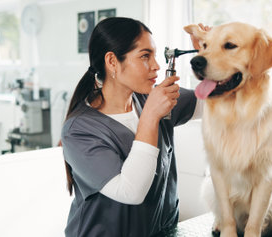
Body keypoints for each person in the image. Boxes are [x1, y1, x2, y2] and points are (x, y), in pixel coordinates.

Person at [61, 17, 206, 237]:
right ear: (112, 62)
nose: (156, 65)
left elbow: (221, 102)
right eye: (145, 56)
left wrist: (211, 54)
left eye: (155, 56)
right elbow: (130, 192)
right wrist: (150, 117)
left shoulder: (153, 100)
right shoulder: (79, 129)